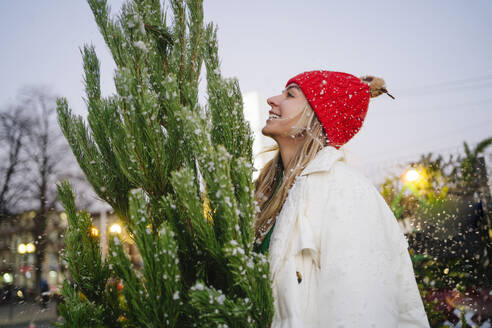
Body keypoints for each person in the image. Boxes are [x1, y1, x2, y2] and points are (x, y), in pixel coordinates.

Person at [253, 70, 430, 327]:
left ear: (316, 115)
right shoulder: (266, 192)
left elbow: (359, 310)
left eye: (290, 94)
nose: (272, 99)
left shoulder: (343, 189)